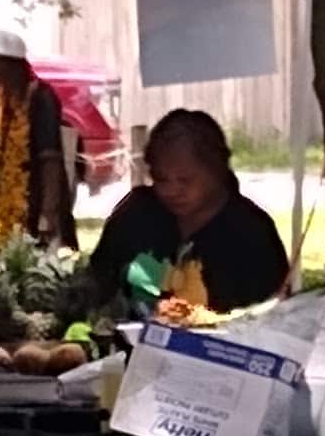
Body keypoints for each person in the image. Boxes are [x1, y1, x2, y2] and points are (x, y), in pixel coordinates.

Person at [91, 109, 288, 315]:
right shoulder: (135, 216)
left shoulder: (251, 233)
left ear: (218, 170)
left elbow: (269, 315)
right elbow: (98, 281)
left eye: (185, 180)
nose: (170, 191)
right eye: (161, 179)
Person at [0, 29, 76, 251]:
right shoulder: (5, 99)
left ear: (14, 66)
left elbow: (50, 160)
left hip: (38, 204)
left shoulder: (41, 98)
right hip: (9, 208)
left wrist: (48, 212)